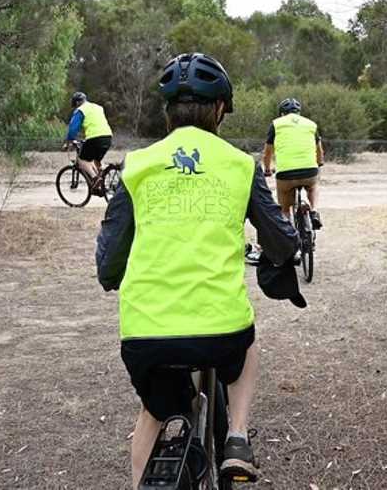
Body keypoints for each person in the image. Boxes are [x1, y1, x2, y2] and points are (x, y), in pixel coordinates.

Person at [96, 52, 300, 488]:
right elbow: (281, 240)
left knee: (154, 410)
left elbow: (108, 265)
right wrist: (281, 255)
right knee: (246, 347)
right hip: (220, 332)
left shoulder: (137, 166)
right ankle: (238, 439)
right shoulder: (239, 166)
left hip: (145, 334)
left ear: (167, 111)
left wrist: (115, 275)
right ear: (221, 109)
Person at [263, 98, 324, 228]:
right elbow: (319, 149)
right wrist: (319, 163)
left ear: (282, 113)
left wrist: (267, 169)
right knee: (313, 186)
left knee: (285, 208)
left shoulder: (276, 124)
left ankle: (287, 231)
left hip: (285, 174)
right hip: (309, 171)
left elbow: (267, 152)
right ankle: (314, 211)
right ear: (299, 112)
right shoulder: (311, 124)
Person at [63, 91, 113, 193]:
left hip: (95, 137)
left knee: (82, 160)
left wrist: (68, 142)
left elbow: (73, 129)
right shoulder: (98, 107)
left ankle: (95, 178)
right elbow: (96, 123)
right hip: (108, 137)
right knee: (95, 160)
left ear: (77, 103)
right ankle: (102, 182)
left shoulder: (81, 110)